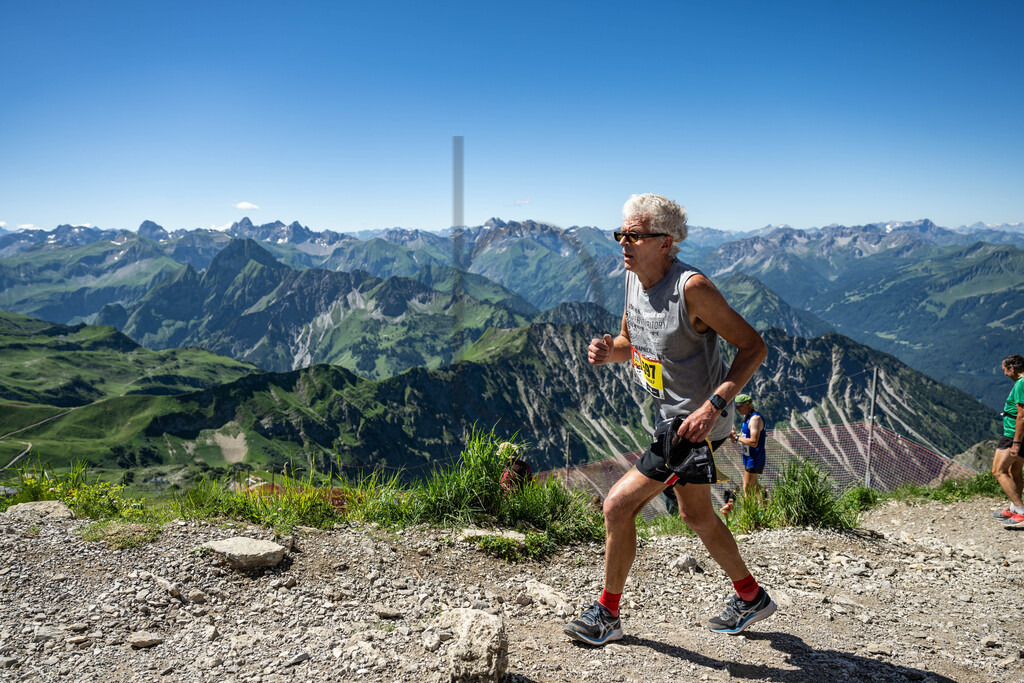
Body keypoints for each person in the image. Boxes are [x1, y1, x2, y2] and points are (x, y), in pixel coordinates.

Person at [563, 193, 776, 646]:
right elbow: (630, 341)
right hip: (672, 419)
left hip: (692, 425)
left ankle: (607, 613)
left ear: (666, 242)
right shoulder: (633, 279)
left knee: (617, 506)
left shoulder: (691, 288)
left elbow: (753, 347)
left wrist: (713, 405)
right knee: (697, 515)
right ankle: (750, 595)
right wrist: (610, 353)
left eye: (635, 235)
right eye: (621, 233)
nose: (624, 242)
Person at [991, 355, 1024, 526]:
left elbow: (1022, 416)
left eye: (1005, 370)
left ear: (1012, 368)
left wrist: (1016, 443)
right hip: (1020, 435)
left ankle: (1020, 511)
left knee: (998, 471)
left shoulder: (1020, 384)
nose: (1004, 374)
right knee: (1015, 470)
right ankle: (1013, 508)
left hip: (1013, 435)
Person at [730, 394, 766, 499]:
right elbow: (745, 436)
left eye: (739, 406)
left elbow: (754, 442)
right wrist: (734, 436)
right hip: (748, 457)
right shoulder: (747, 417)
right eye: (736, 407)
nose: (737, 409)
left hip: (754, 458)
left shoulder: (755, 419)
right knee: (754, 486)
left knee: (747, 488)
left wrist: (736, 438)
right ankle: (764, 506)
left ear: (747, 404)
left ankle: (748, 513)